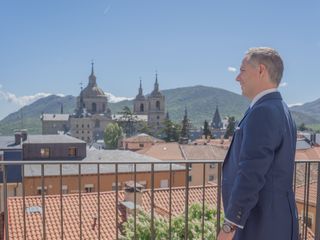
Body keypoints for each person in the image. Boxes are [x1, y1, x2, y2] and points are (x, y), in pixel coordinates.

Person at [217, 47, 299, 240]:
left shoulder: (263, 112)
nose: (238, 77)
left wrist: (230, 226)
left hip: (260, 225)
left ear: (261, 70)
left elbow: (250, 174)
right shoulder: (282, 109)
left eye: (243, 70)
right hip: (277, 220)